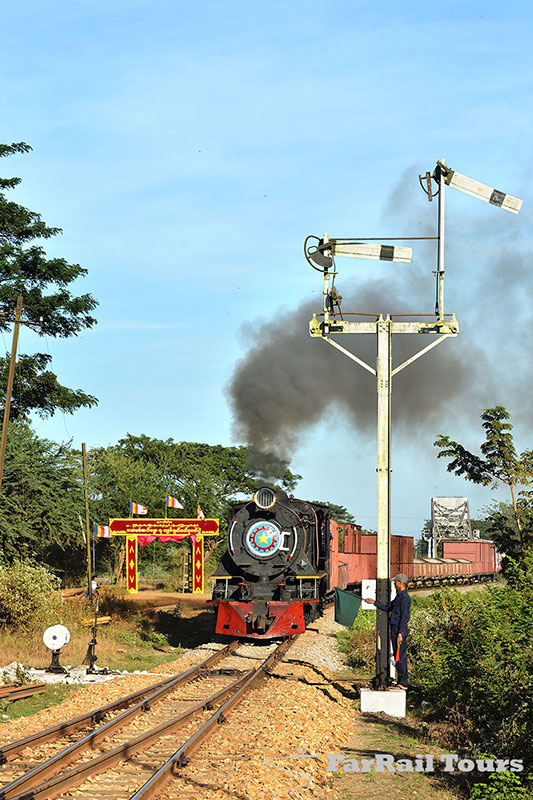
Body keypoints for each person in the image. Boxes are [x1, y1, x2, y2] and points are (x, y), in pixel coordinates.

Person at [364, 573, 411, 691]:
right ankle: (401, 681)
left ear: (401, 583)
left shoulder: (404, 598)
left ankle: (403, 682)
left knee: (400, 656)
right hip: (395, 628)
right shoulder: (399, 596)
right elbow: (388, 608)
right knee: (397, 654)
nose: (394, 584)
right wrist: (374, 602)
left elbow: (405, 617)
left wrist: (400, 633)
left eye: (396, 582)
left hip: (399, 630)